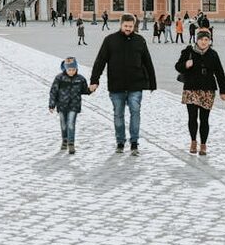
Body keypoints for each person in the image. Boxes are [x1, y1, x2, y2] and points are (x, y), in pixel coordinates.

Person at [89, 13, 157, 155]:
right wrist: (94, 81)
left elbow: (148, 62)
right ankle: (120, 142)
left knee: (135, 112)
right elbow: (100, 61)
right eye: (125, 26)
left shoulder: (140, 40)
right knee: (118, 115)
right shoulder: (110, 40)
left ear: (134, 26)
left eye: (130, 26)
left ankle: (134, 143)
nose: (128, 28)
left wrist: (152, 83)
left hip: (135, 85)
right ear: (121, 25)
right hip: (116, 85)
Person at [176, 31, 225, 156]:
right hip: (191, 89)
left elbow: (220, 74)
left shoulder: (213, 54)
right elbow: (178, 66)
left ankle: (204, 144)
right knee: (192, 117)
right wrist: (185, 64)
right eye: (201, 39)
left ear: (209, 41)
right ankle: (193, 141)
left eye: (206, 39)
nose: (203, 42)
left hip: (207, 90)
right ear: (197, 40)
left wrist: (224, 91)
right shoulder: (188, 52)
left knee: (204, 119)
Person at [49, 57, 91, 154]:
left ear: (76, 69)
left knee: (71, 124)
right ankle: (65, 140)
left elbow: (84, 90)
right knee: (64, 124)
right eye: (69, 70)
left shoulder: (80, 79)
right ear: (65, 69)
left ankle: (71, 143)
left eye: (73, 69)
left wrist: (90, 90)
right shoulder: (59, 78)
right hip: (62, 105)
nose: (71, 72)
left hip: (74, 105)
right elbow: (53, 92)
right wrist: (52, 105)